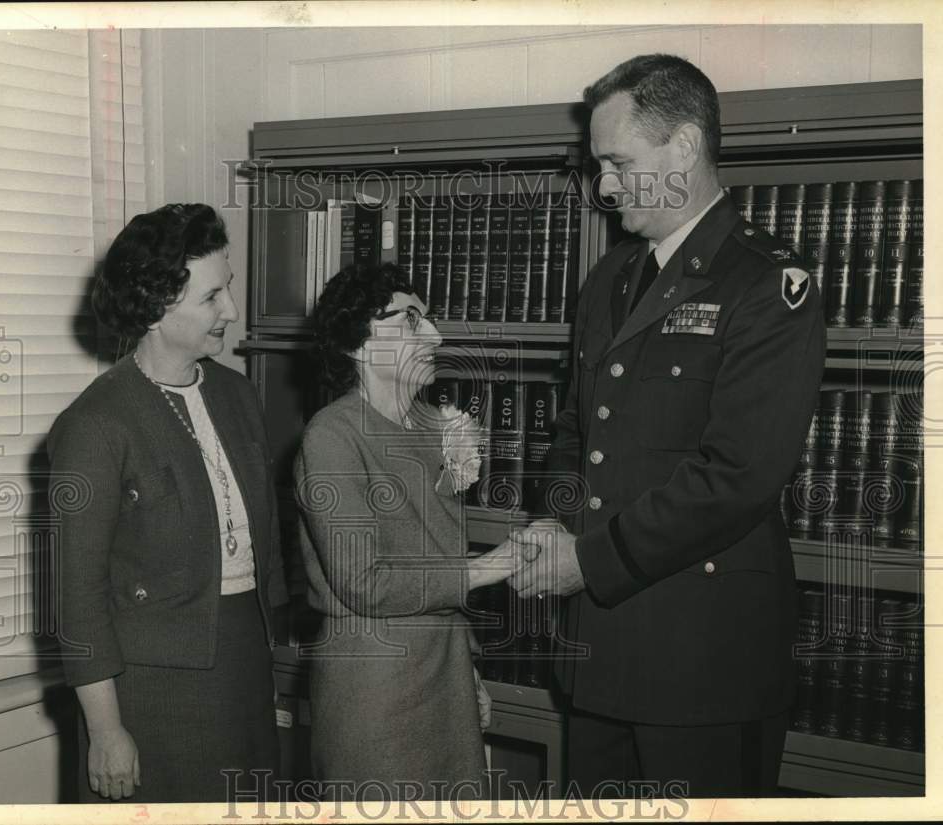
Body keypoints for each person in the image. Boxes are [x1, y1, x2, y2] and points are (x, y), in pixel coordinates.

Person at [508, 54, 826, 798]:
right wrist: (555, 524)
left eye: (618, 162)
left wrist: (589, 560)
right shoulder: (609, 279)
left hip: (705, 667)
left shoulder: (767, 283)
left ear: (684, 147)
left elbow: (738, 473)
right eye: (598, 166)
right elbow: (574, 428)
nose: (604, 186)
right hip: (598, 657)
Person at [47, 203, 287, 802]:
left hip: (245, 666)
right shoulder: (96, 423)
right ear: (156, 308)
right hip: (149, 690)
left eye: (226, 289)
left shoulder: (238, 395)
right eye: (211, 298)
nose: (230, 310)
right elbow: (78, 596)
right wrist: (104, 730)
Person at [294, 263, 523, 802]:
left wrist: (468, 665)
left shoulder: (432, 426)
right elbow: (365, 582)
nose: (436, 335)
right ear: (359, 342)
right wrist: (490, 566)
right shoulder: (331, 435)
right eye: (413, 319)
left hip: (444, 677)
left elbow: (434, 555)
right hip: (374, 687)